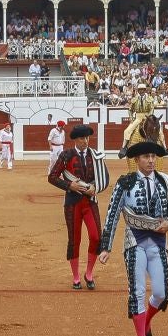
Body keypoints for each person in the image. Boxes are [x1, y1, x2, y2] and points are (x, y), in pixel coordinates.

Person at [102, 139, 168, 336]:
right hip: (134, 242)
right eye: (146, 157)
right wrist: (105, 247)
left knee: (160, 293)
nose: (150, 161)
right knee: (137, 292)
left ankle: (146, 321)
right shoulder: (125, 182)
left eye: (153, 157)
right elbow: (112, 213)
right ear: (136, 160)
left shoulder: (165, 181)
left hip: (158, 242)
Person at [49, 123, 107, 289]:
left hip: (90, 202)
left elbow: (104, 177)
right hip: (72, 204)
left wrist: (95, 187)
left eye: (87, 137)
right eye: (82, 138)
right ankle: (76, 277)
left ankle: (89, 274)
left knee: (96, 237)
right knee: (75, 240)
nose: (86, 141)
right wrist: (69, 186)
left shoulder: (95, 155)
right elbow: (52, 177)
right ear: (75, 139)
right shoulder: (66, 155)